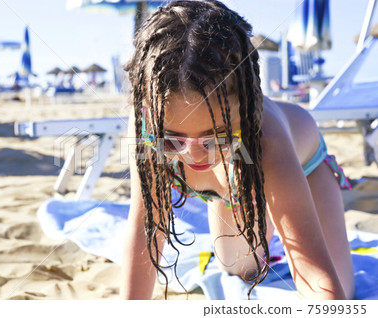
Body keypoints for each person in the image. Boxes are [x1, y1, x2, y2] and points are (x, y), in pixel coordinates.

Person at [120, 0, 354, 300]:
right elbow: (145, 230)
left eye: (216, 137)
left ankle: (272, 206)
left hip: (305, 168)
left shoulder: (267, 138)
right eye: (173, 141)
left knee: (341, 292)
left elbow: (314, 274)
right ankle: (258, 210)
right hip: (233, 184)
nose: (195, 156)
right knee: (237, 268)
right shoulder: (147, 120)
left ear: (245, 109)